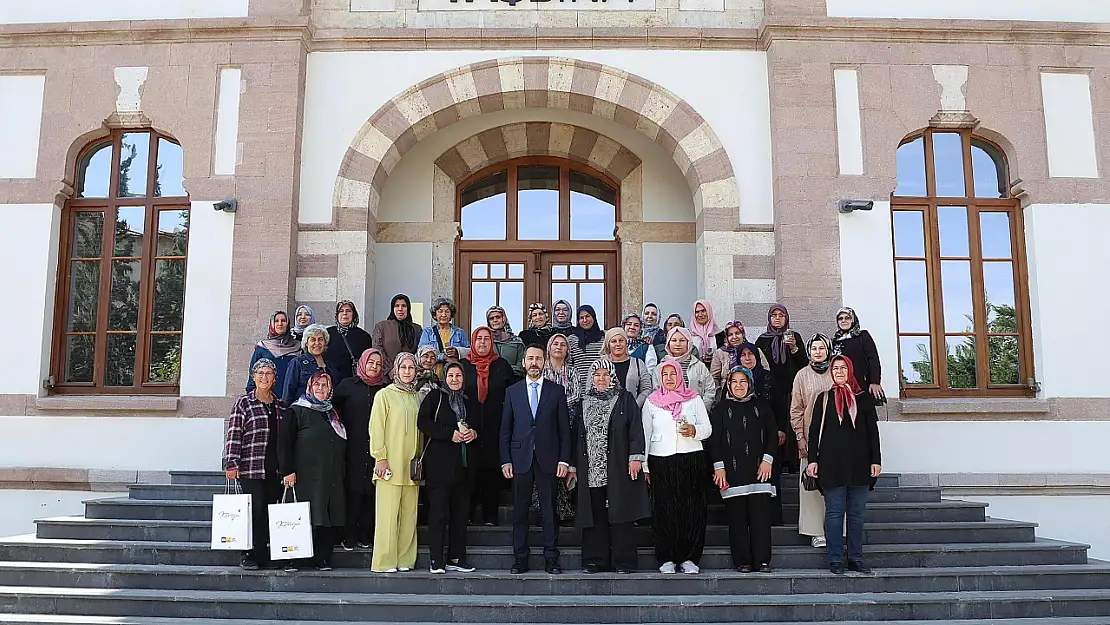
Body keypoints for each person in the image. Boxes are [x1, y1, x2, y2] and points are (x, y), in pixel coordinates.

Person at [569, 359, 649, 574]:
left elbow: (636, 429)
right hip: (591, 469)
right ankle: (596, 560)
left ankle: (623, 562)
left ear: (613, 377)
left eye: (606, 374)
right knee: (594, 515)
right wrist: (573, 467)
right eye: (597, 375)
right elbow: (576, 436)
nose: (601, 379)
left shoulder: (625, 399)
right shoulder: (583, 402)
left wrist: (636, 457)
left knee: (621, 514)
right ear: (591, 378)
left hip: (618, 467)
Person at [807, 355, 883, 575]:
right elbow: (814, 433)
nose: (839, 371)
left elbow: (872, 432)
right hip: (831, 465)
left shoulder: (864, 399)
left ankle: (856, 559)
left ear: (850, 370)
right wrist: (813, 460)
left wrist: (876, 460)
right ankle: (835, 560)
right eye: (835, 368)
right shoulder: (823, 398)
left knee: (856, 514)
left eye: (843, 368)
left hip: (860, 464)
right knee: (834, 513)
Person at [500, 344, 571, 575]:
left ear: (545, 362)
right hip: (520, 459)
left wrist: (564, 460)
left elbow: (564, 430)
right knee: (520, 512)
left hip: (548, 459)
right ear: (523, 362)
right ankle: (520, 558)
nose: (534, 362)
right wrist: (505, 460)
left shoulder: (556, 391)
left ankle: (552, 558)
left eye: (538, 358)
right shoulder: (512, 391)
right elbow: (505, 430)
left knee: (549, 512)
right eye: (530, 358)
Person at [642, 360, 712, 575]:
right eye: (666, 374)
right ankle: (667, 558)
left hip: (690, 458)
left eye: (674, 373)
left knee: (691, 509)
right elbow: (644, 434)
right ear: (660, 378)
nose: (670, 378)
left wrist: (694, 430)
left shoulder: (693, 398)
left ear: (681, 376)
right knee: (664, 510)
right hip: (661, 460)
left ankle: (689, 557)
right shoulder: (651, 402)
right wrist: (645, 465)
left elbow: (707, 428)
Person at [707, 367, 778, 573]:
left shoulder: (762, 407)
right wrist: (719, 467)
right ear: (728, 384)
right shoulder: (720, 409)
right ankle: (743, 561)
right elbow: (714, 441)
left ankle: (762, 560)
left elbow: (773, 435)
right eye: (734, 382)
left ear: (749, 384)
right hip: (732, 472)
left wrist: (768, 460)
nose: (739, 385)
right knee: (737, 520)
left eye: (743, 381)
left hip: (760, 471)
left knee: (761, 520)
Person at [278, 371, 346, 571]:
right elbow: (285, 443)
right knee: (302, 516)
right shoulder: (297, 411)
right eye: (317, 385)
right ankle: (293, 559)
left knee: (324, 516)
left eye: (325, 385)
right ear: (309, 387)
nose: (320, 389)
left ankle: (321, 558)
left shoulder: (332, 412)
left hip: (329, 474)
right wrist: (287, 471)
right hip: (303, 476)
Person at [223, 359, 284, 570]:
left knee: (268, 511)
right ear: (253, 377)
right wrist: (231, 462)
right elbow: (234, 434)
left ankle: (263, 553)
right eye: (260, 373)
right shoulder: (244, 403)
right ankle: (247, 554)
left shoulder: (279, 404)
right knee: (253, 511)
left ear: (274, 378)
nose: (264, 377)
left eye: (268, 373)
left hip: (273, 469)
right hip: (250, 467)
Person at [419, 362, 478, 574]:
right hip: (439, 467)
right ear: (445, 377)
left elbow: (479, 424)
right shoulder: (435, 397)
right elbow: (423, 422)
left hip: (463, 467)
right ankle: (436, 559)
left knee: (460, 515)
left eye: (458, 376)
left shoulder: (468, 400)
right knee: (438, 514)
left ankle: (456, 557)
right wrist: (448, 433)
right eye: (451, 375)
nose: (455, 379)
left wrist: (474, 433)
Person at [369, 352, 423, 573]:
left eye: (411, 368)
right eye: (404, 368)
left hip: (411, 466)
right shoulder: (384, 395)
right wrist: (380, 457)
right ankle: (385, 561)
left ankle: (405, 559)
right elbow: (376, 428)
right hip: (389, 465)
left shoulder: (417, 397)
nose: (408, 372)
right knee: (388, 516)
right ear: (396, 371)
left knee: (409, 515)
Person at [460, 326, 516, 526]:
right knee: (469, 473)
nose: (482, 342)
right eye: (479, 339)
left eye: (486, 339)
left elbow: (511, 396)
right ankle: (467, 515)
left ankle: (490, 517)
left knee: (491, 472)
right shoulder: (463, 366)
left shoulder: (502, 365)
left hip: (496, 426)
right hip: (468, 428)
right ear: (473, 342)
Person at [332, 348, 386, 550]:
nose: (374, 366)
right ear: (362, 363)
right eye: (371, 362)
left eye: (378, 364)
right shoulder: (347, 385)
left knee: (370, 492)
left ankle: (365, 535)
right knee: (352, 491)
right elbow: (332, 412)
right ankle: (348, 535)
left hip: (376, 448)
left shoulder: (385, 389)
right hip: (351, 446)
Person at [790, 334, 835, 549]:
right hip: (810, 439)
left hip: (835, 439)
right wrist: (799, 436)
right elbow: (796, 409)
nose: (818, 352)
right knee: (811, 487)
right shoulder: (801, 375)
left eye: (822, 348)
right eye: (814, 348)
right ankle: (815, 531)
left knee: (835, 485)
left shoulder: (835, 372)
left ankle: (835, 529)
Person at [739, 342, 789, 526]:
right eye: (743, 355)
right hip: (743, 439)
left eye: (750, 354)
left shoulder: (768, 377)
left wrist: (781, 429)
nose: (747, 358)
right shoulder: (734, 381)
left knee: (770, 476)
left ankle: (773, 520)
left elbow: (780, 405)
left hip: (768, 436)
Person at [756, 304, 808, 471]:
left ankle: (792, 463)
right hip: (770, 392)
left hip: (791, 390)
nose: (777, 318)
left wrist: (794, 348)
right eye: (774, 315)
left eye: (781, 315)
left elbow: (804, 363)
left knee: (792, 426)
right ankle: (775, 463)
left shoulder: (794, 336)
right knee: (773, 425)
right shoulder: (762, 339)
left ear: (786, 318)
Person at [540, 333, 582, 524]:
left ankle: (564, 510)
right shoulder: (541, 371)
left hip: (568, 423)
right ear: (549, 348)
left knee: (565, 464)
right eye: (555, 344)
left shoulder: (573, 372)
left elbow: (576, 395)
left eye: (562, 345)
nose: (558, 347)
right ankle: (545, 511)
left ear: (567, 350)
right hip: (545, 425)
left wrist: (556, 405)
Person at [652, 327, 717, 410]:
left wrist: (700, 409)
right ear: (668, 343)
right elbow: (656, 392)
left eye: (682, 340)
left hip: (696, 413)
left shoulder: (700, 366)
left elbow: (710, 390)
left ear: (688, 343)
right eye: (674, 340)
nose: (678, 344)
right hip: (667, 414)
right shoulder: (660, 367)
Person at [831, 307, 885, 403]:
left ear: (853, 320)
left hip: (861, 385)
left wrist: (875, 381)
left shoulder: (862, 336)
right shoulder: (835, 341)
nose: (843, 320)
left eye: (847, 318)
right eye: (840, 318)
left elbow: (873, 358)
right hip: (842, 387)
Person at [246, 311, 302, 395]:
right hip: (267, 398)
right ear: (272, 324)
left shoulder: (297, 347)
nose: (280, 324)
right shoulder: (262, 347)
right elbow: (253, 374)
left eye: (283, 321)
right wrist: (251, 396)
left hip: (291, 398)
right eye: (276, 321)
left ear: (288, 324)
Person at [372, 294, 421, 381]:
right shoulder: (382, 326)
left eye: (404, 306)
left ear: (408, 308)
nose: (400, 309)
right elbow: (377, 349)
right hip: (386, 377)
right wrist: (390, 369)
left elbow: (419, 351)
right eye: (397, 306)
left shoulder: (416, 329)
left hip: (409, 377)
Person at [600, 327, 652, 408]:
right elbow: (591, 389)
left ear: (626, 342)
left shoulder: (638, 363)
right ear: (608, 345)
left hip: (631, 414)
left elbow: (646, 389)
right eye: (613, 341)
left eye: (621, 340)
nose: (618, 344)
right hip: (605, 414)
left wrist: (634, 406)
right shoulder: (600, 364)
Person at [324, 300, 373, 385]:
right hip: (330, 381)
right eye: (341, 311)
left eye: (348, 311)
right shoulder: (327, 333)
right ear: (337, 315)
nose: (344, 314)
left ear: (354, 314)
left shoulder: (364, 336)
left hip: (354, 383)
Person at [281, 324, 331, 407]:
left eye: (320, 339)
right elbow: (288, 393)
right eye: (313, 340)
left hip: (325, 413)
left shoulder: (330, 365)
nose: (317, 343)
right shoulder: (297, 363)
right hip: (302, 413)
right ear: (306, 343)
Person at [419, 297, 471, 362]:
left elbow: (469, 352)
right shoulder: (427, 332)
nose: (444, 315)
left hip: (453, 370)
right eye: (440, 311)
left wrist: (457, 351)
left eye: (447, 311)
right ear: (435, 315)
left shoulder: (459, 332)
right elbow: (422, 354)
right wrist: (443, 357)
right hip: (434, 370)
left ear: (451, 314)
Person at [568, 305, 606, 391]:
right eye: (581, 318)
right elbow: (569, 366)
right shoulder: (571, 339)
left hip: (601, 388)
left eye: (587, 316)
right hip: (579, 389)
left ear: (593, 317)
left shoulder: (604, 337)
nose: (585, 320)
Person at [710, 321, 751, 392]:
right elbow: (714, 378)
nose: (734, 337)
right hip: (726, 394)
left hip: (751, 393)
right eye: (730, 335)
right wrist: (719, 394)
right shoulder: (720, 353)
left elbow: (764, 370)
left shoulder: (752, 350)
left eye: (737, 333)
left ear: (743, 334)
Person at [487, 305, 526, 378]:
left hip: (514, 380)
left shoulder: (517, 342)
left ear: (504, 319)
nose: (495, 320)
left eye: (498, 317)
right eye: (491, 318)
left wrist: (506, 370)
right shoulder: (486, 342)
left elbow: (522, 365)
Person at [690, 300, 719, 366]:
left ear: (709, 312)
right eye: (697, 312)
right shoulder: (689, 335)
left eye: (703, 311)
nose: (700, 315)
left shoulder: (720, 334)